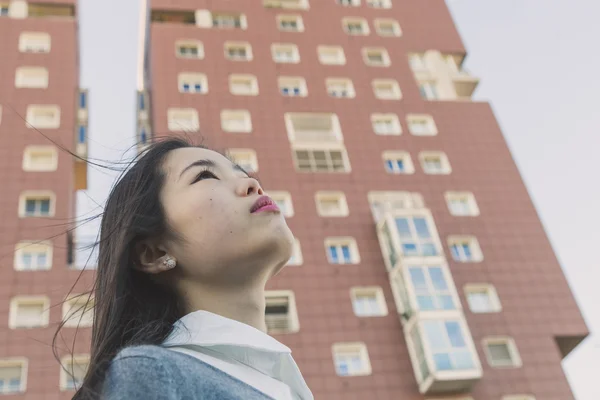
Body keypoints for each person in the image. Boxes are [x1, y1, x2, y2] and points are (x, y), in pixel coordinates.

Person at [67, 137, 314, 399]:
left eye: (243, 173)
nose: (253, 184)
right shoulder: (152, 375)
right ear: (155, 252)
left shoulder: (286, 385)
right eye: (205, 175)